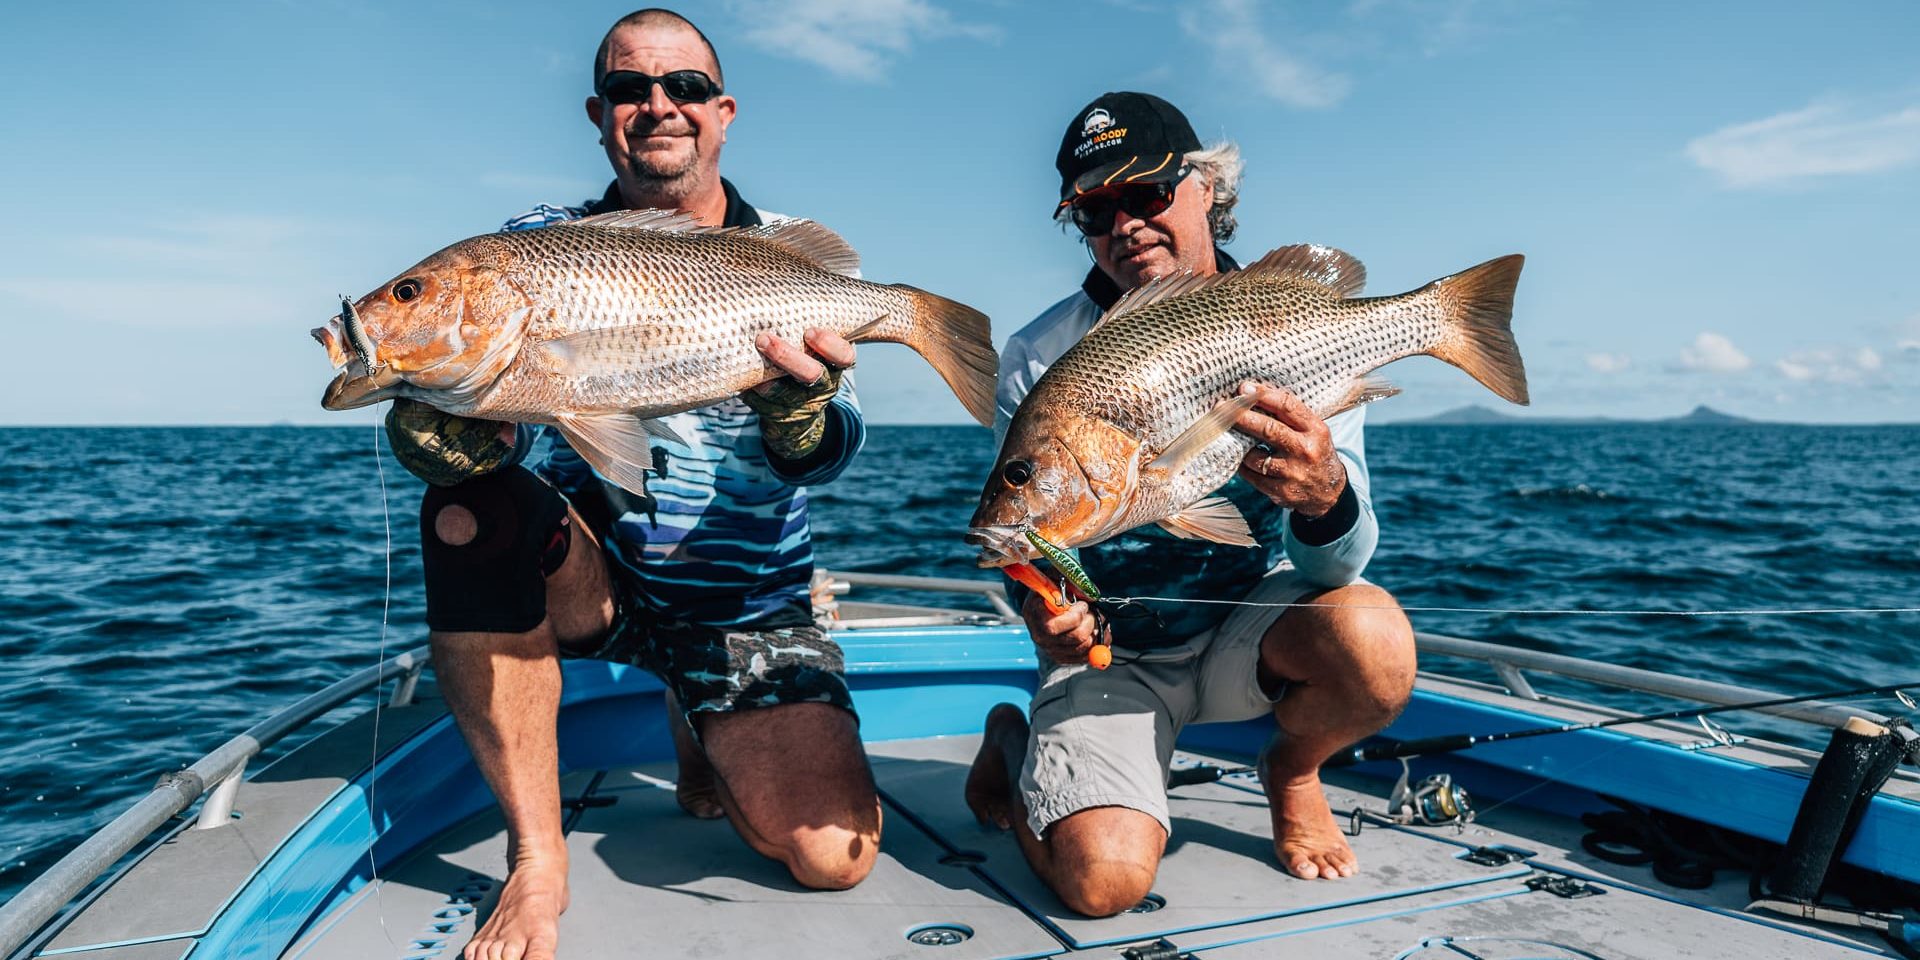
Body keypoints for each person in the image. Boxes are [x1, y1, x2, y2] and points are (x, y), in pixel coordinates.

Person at [384, 10, 880, 960]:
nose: (660, 106)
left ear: (724, 111)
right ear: (598, 112)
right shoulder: (537, 245)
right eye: (630, 89)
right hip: (598, 586)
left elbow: (836, 445)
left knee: (832, 858)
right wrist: (441, 431)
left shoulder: (783, 253)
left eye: (686, 87)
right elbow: (501, 413)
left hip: (752, 607)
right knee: (468, 512)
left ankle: (698, 712)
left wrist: (800, 415)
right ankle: (537, 858)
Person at [963, 92, 1419, 917]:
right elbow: (1026, 540)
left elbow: (1340, 563)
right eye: (1095, 209)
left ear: (1207, 188)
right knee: (1102, 885)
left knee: (1376, 637)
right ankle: (1015, 737)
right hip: (1116, 656)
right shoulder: (1041, 353)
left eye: (1145, 195)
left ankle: (1295, 769)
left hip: (1255, 633)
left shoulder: (1298, 325)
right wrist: (1047, 611)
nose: (1124, 223)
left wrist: (1324, 495)